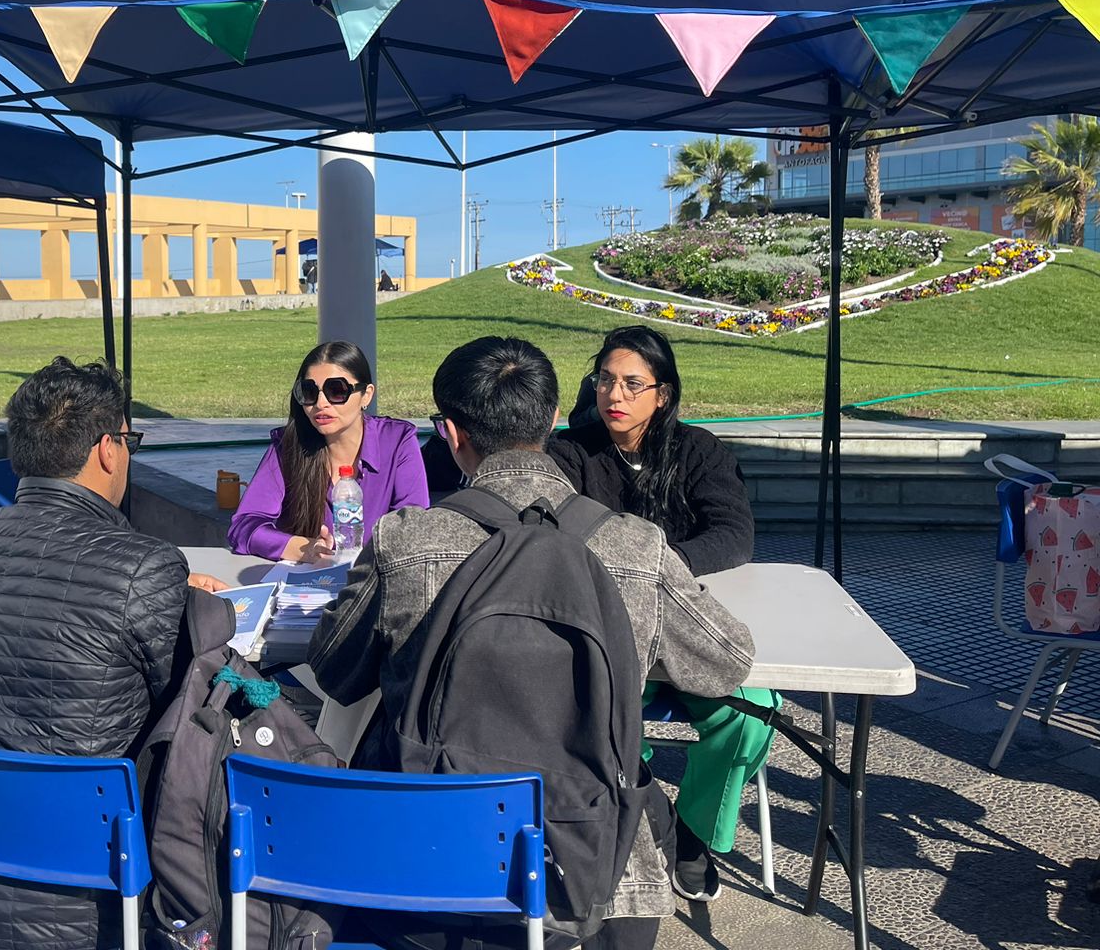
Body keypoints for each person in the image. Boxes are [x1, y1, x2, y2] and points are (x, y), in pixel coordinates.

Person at [309, 337, 754, 950]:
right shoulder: (636, 548)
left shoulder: (404, 540)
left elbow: (335, 672)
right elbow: (727, 661)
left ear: (451, 433)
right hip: (598, 875)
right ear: (550, 421)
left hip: (425, 863)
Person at [0, 356, 224, 950]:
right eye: (130, 440)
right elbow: (189, 697)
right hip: (94, 895)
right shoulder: (144, 566)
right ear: (109, 449)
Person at [548, 325, 773, 904]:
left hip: (683, 623)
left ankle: (693, 833)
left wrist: (657, 567)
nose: (614, 396)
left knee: (753, 714)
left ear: (662, 394)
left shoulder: (700, 451)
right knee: (596, 712)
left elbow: (733, 536)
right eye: (604, 380)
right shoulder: (570, 453)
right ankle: (639, 810)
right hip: (604, 631)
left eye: (632, 384)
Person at [230, 341, 429, 561]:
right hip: (306, 584)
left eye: (337, 390)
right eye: (309, 391)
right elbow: (244, 526)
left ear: (366, 395)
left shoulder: (397, 441)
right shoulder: (287, 446)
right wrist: (304, 548)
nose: (321, 403)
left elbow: (413, 528)